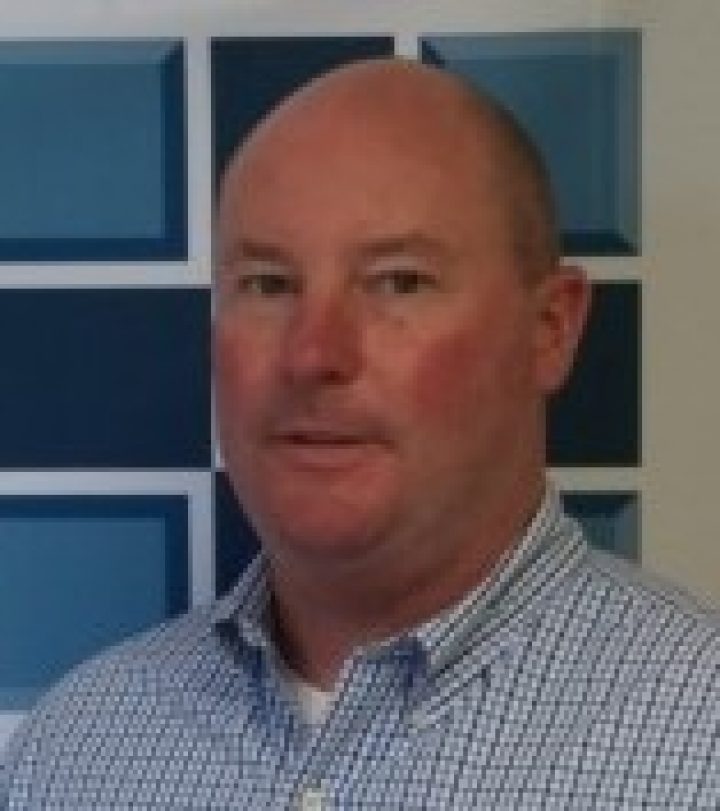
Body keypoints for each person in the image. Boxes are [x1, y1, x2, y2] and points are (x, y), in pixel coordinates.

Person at [2, 57, 718, 809]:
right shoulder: (73, 752)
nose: (313, 353)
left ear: (550, 328)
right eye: (269, 284)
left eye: (399, 281)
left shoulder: (701, 738)